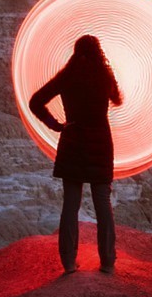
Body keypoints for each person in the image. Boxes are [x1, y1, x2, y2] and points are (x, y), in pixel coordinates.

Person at [30, 34, 122, 275]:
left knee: (70, 204)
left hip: (73, 142)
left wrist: (56, 125)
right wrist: (109, 74)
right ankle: (108, 263)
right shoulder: (104, 76)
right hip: (100, 143)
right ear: (99, 52)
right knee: (103, 204)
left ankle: (69, 263)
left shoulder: (68, 76)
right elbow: (118, 99)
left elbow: (36, 102)